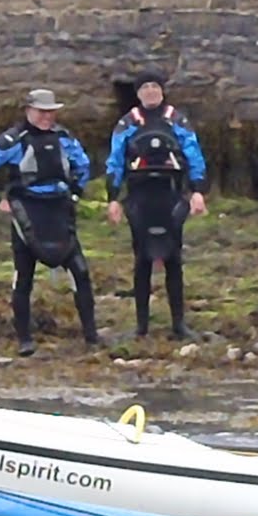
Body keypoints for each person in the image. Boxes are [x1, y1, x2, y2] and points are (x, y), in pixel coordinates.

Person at [0, 88, 97, 355]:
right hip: (27, 210)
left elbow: (83, 166)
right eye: (41, 112)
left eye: (51, 112)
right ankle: (25, 340)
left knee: (80, 271)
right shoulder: (14, 139)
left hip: (59, 209)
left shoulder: (63, 138)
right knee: (24, 276)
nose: (46, 117)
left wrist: (75, 193)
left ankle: (91, 337)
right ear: (28, 111)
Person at [104, 70, 209, 339]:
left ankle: (179, 324)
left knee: (174, 258)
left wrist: (197, 191)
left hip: (171, 194)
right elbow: (115, 159)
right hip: (139, 196)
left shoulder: (177, 119)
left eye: (155, 86)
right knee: (142, 258)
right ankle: (142, 326)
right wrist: (113, 197)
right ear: (138, 93)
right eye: (145, 87)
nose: (150, 91)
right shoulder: (128, 122)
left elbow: (193, 153)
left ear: (162, 90)